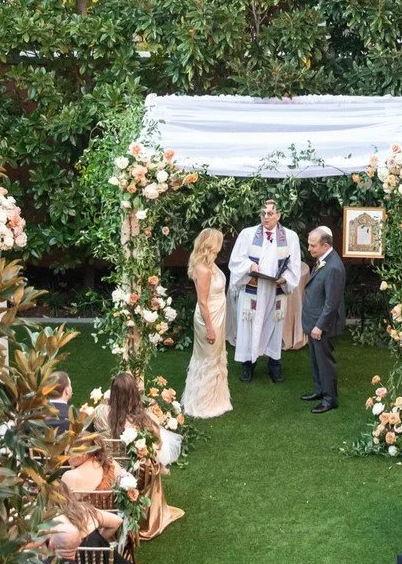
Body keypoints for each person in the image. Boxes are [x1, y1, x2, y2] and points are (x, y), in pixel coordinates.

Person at [99, 371, 184, 541]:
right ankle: (148, 518)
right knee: (150, 464)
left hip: (110, 466)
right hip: (136, 471)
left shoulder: (102, 413)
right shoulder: (145, 420)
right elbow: (156, 446)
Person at [227, 199, 302, 384]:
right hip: (253, 287)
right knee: (248, 326)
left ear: (279, 215)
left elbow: (295, 265)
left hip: (275, 291)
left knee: (274, 327)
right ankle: (247, 365)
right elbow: (235, 260)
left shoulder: (290, 237)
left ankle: (274, 364)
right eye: (263, 213)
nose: (266, 217)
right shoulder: (248, 234)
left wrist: (285, 279)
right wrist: (249, 266)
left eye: (270, 213)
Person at [181, 227, 231, 419]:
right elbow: (202, 301)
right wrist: (210, 328)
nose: (220, 247)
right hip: (208, 317)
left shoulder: (211, 264)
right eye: (218, 243)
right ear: (211, 244)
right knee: (207, 359)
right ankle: (203, 402)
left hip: (218, 315)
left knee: (217, 357)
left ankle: (216, 399)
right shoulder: (202, 269)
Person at [299, 225, 347, 413]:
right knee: (315, 359)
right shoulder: (323, 259)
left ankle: (329, 399)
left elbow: (332, 303)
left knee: (325, 361)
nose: (309, 248)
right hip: (314, 321)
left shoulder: (334, 267)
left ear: (325, 245)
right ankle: (319, 390)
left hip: (321, 325)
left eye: (313, 246)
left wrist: (319, 326)